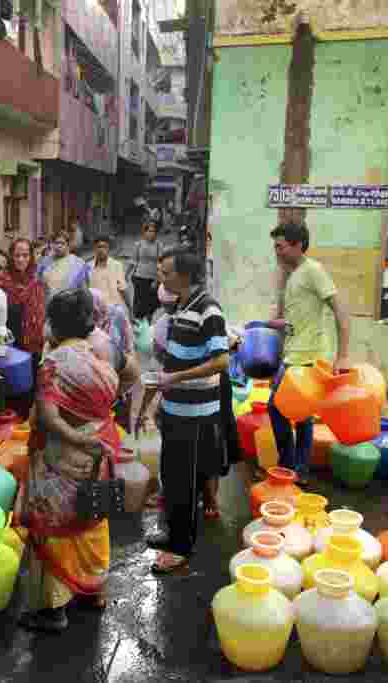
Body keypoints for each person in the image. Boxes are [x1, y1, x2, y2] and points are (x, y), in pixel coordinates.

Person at [19, 288, 120, 633]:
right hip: (99, 453)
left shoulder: (53, 362)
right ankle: (94, 593)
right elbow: (132, 374)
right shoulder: (102, 353)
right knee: (92, 517)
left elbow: (48, 419)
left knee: (55, 524)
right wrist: (96, 432)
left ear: (55, 325)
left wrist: (81, 437)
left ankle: (54, 609)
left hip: (64, 456)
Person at [136, 250, 230, 572]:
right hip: (175, 409)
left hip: (196, 413)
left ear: (184, 276)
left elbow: (221, 361)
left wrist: (174, 379)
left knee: (186, 480)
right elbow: (169, 362)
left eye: (165, 272)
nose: (160, 278)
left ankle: (180, 549)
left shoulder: (209, 310)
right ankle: (174, 534)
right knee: (173, 477)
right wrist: (148, 404)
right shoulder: (180, 308)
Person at [267, 222, 350, 486]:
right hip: (293, 355)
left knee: (278, 407)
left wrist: (342, 356)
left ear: (297, 245)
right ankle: (298, 468)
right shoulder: (294, 275)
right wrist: (279, 324)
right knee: (300, 415)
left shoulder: (314, 270)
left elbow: (341, 312)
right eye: (275, 247)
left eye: (280, 246)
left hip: (309, 358)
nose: (276, 252)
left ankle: (289, 466)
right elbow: (299, 318)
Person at [0, 238, 47, 418]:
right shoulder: (2, 283)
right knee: (10, 390)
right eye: (17, 255)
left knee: (30, 390)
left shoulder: (37, 283)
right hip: (10, 346)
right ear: (11, 256)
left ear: (31, 257)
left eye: (25, 255)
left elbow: (42, 315)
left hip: (33, 347)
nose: (20, 260)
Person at [90, 288, 140, 432]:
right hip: (98, 382)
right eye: (91, 311)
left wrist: (123, 388)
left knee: (120, 425)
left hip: (120, 376)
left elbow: (129, 344)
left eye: (96, 310)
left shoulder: (116, 315)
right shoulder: (85, 321)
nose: (95, 315)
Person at [126, 221, 162, 323]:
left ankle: (148, 324)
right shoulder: (138, 244)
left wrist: (157, 280)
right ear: (144, 232)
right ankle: (138, 324)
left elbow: (160, 264)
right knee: (139, 302)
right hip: (139, 277)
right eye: (149, 231)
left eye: (154, 231)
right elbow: (133, 261)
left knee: (151, 304)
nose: (152, 233)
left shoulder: (159, 245)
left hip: (153, 279)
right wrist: (126, 274)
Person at [39, 231, 90, 303]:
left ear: (68, 245)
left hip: (70, 305)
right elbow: (38, 282)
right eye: (56, 243)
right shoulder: (45, 262)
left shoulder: (78, 263)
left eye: (62, 243)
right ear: (52, 244)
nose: (59, 246)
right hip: (47, 305)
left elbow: (84, 289)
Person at [88, 234, 130, 312]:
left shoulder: (117, 265)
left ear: (108, 249)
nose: (101, 249)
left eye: (104, 247)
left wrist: (130, 309)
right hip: (96, 311)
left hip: (114, 309)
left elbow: (123, 289)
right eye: (99, 247)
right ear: (94, 249)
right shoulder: (88, 267)